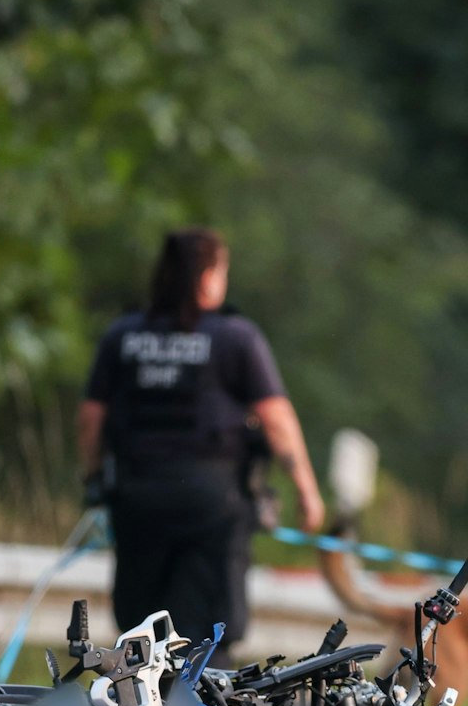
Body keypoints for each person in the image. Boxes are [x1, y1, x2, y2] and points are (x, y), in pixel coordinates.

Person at [77, 228, 325, 662]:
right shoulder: (236, 337)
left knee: (139, 635)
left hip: (138, 499)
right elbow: (276, 419)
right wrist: (306, 489)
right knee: (207, 638)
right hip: (213, 503)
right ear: (208, 276)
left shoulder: (124, 335)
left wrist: (94, 479)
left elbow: (91, 419)